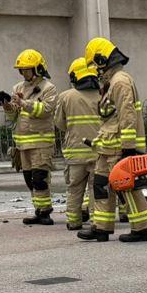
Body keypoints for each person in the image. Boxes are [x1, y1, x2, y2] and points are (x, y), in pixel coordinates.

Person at [80, 36, 147, 242]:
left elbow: (127, 114)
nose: (95, 70)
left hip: (119, 147)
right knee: (101, 185)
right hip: (107, 148)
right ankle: (101, 227)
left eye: (95, 65)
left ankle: (142, 228)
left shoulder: (120, 82)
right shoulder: (111, 82)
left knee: (127, 187)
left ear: (103, 60)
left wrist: (128, 148)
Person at [2, 50, 60, 226]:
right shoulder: (18, 88)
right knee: (29, 179)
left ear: (38, 68)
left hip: (41, 142)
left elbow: (45, 111)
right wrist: (8, 107)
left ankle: (45, 212)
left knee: (39, 178)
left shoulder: (48, 88)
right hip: (23, 143)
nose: (24, 73)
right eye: (21, 70)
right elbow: (14, 117)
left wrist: (24, 103)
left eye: (27, 69)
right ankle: (38, 210)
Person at [57, 56, 103, 233]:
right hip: (98, 152)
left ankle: (74, 222)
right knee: (95, 190)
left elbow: (59, 124)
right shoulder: (102, 94)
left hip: (75, 154)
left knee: (74, 189)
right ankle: (96, 222)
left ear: (75, 77)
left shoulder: (65, 97)